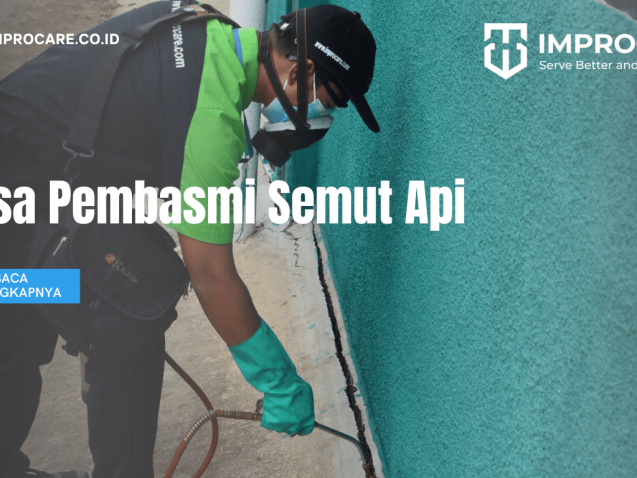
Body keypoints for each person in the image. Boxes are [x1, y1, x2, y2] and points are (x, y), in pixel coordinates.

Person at [0, 1, 379, 477]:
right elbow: (211, 276)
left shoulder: (210, 29)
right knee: (113, 319)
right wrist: (279, 382)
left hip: (43, 180)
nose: (325, 117)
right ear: (301, 72)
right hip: (20, 202)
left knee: (54, 317)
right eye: (332, 100)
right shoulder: (210, 117)